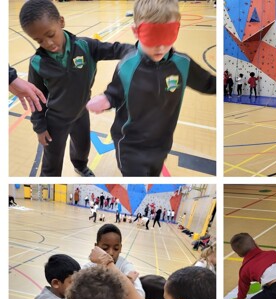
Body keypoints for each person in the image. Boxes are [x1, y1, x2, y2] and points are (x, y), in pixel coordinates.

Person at [86, 0, 216, 177]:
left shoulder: (182, 64)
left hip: (161, 144)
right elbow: (115, 93)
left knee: (152, 177)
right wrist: (106, 100)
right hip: (130, 145)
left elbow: (207, 83)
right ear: (136, 31)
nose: (160, 47)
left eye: (167, 37)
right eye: (153, 38)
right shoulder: (127, 66)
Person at [19, 0, 134, 177]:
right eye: (39, 40)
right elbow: (36, 100)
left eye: (50, 34)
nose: (48, 43)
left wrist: (141, 51)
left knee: (82, 147)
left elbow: (116, 49)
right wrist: (40, 128)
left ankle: (80, 166)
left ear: (61, 22)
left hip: (81, 112)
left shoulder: (86, 46)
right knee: (52, 161)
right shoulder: (37, 63)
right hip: (55, 120)